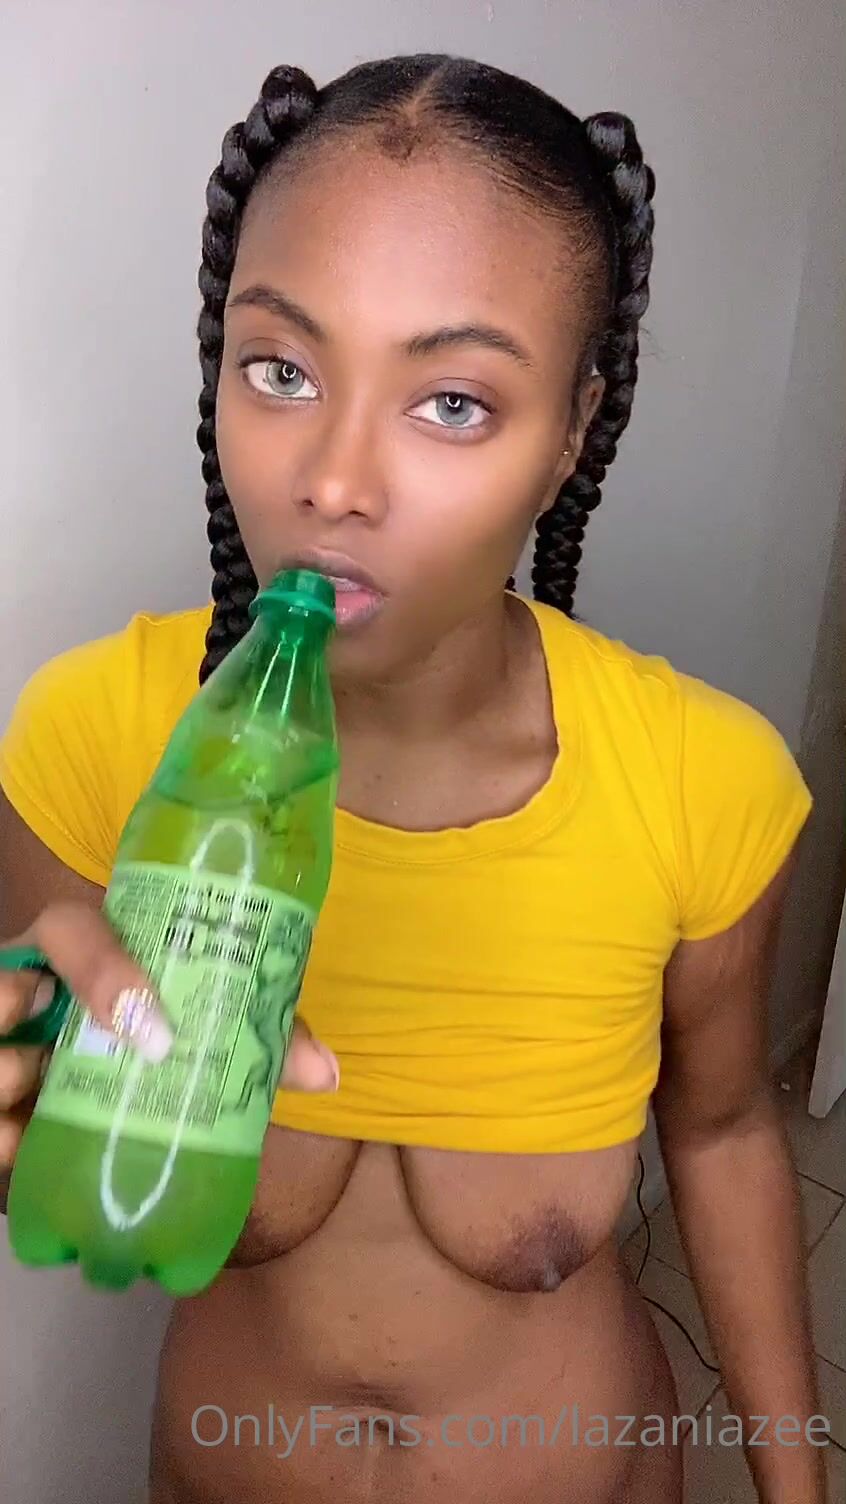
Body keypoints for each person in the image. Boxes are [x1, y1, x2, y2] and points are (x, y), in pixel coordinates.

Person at [0, 55, 827, 1504]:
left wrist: (797, 1485)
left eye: (450, 401)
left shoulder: (702, 779)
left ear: (570, 433)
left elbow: (721, 1131)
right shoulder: (95, 737)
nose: (331, 481)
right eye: (281, 371)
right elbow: (52, 1119)